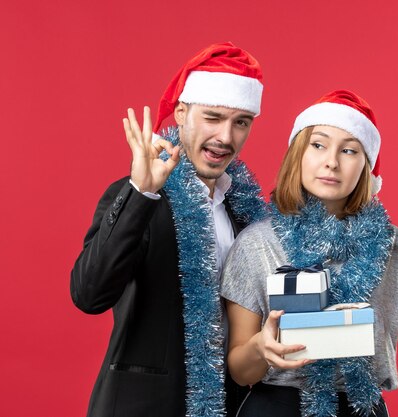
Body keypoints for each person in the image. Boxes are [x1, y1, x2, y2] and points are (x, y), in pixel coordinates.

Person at [221, 90, 398, 417]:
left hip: (362, 407)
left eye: (349, 150)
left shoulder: (392, 245)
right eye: (318, 144)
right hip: (277, 404)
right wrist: (261, 347)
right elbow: (241, 372)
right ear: (297, 153)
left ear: (366, 168)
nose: (331, 161)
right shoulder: (257, 242)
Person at [70, 42, 268, 417]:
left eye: (241, 122)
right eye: (213, 117)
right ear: (181, 113)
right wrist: (140, 193)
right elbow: (88, 293)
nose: (226, 137)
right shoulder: (140, 195)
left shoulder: (249, 219)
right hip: (143, 406)